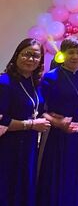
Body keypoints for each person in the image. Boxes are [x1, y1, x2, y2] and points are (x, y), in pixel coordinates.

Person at [37, 36, 78, 206]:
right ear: (63, 54)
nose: (75, 56)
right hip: (57, 134)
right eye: (71, 52)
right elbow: (40, 111)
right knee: (57, 176)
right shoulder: (51, 77)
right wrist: (59, 123)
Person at [0, 39, 49, 206]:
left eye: (35, 56)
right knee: (7, 188)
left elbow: (38, 110)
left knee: (24, 187)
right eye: (26, 54)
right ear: (17, 56)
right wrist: (31, 125)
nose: (30, 59)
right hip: (8, 145)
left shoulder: (36, 83)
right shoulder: (4, 82)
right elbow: (2, 119)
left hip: (28, 144)